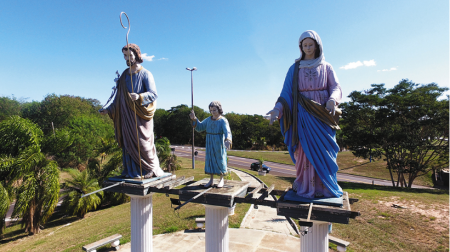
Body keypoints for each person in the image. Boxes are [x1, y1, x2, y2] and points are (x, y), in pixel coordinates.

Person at [267, 30, 343, 199]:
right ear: (300, 47)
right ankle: (304, 184)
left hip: (322, 115)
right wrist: (277, 110)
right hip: (302, 117)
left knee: (324, 151)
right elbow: (286, 94)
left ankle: (325, 187)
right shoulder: (294, 69)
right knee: (304, 152)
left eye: (311, 44)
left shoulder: (327, 67)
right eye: (304, 45)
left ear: (317, 45)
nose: (308, 48)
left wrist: (332, 99)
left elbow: (336, 87)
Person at [99, 43, 164, 179]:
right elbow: (119, 98)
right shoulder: (124, 75)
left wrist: (139, 97)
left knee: (143, 143)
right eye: (124, 55)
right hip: (126, 116)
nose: (127, 58)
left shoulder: (146, 74)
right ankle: (131, 171)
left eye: (129, 55)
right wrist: (109, 109)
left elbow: (153, 94)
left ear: (136, 55)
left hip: (140, 116)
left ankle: (150, 169)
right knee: (128, 144)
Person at [189, 101, 232, 188]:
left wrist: (228, 140)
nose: (212, 112)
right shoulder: (208, 119)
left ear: (219, 110)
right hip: (209, 142)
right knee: (210, 160)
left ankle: (221, 179)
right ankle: (211, 180)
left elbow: (227, 131)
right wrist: (194, 119)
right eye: (211, 110)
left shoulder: (223, 120)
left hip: (219, 142)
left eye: (214, 110)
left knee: (220, 159)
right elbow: (200, 127)